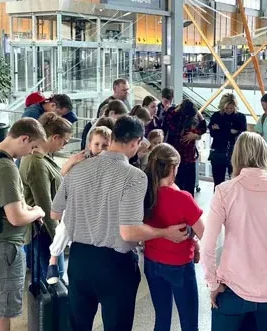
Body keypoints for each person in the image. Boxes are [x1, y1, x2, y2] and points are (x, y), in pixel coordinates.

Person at [50, 115, 188, 331]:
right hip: (114, 265)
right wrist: (164, 232)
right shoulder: (134, 176)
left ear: (112, 136)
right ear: (135, 142)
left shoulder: (78, 169)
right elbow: (129, 231)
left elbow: (55, 212)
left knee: (78, 325)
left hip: (78, 262)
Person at [201, 132, 267, 331]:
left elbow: (207, 247)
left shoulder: (225, 191)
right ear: (266, 156)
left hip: (232, 289)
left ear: (236, 156)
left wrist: (213, 284)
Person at [0, 118, 47, 331]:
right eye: (32, 146)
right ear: (24, 138)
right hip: (2, 248)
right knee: (2, 311)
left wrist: (27, 210)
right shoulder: (5, 168)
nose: (30, 152)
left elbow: (7, 205)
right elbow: (15, 217)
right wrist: (37, 212)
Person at [143, 143, 205, 331]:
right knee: (188, 322)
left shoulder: (145, 194)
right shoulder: (183, 198)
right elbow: (204, 233)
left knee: (161, 319)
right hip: (179, 265)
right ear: (172, 168)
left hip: (151, 262)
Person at [47, 125, 112, 284]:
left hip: (96, 206)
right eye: (97, 144)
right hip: (77, 203)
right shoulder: (81, 160)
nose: (100, 148)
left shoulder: (112, 164)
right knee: (64, 228)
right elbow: (63, 175)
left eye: (104, 145)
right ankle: (53, 260)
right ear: (89, 145)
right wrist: (72, 161)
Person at [19, 113, 72, 283]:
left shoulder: (42, 158)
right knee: (53, 282)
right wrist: (59, 239)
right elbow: (45, 206)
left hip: (44, 231)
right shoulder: (36, 163)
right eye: (64, 142)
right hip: (43, 233)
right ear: (55, 137)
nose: (64, 146)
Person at [163, 99, 207, 196]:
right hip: (182, 157)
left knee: (183, 187)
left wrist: (196, 135)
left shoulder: (185, 118)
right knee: (183, 188)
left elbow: (203, 127)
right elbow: (203, 127)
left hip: (182, 158)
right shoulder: (179, 118)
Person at [208, 93, 247, 187]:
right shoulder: (216, 115)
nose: (229, 110)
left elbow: (243, 135)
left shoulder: (240, 117)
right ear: (222, 107)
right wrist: (231, 131)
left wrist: (220, 129)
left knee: (235, 182)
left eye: (231, 108)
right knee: (218, 183)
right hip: (218, 151)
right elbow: (213, 133)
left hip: (235, 152)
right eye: (226, 108)